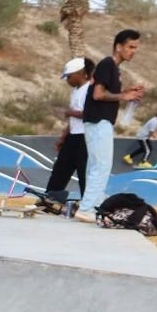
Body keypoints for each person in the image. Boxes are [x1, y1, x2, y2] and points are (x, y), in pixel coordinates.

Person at [75, 29, 146, 223]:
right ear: (119, 46)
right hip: (99, 122)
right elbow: (98, 94)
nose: (133, 51)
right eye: (131, 47)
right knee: (102, 166)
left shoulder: (113, 68)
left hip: (97, 122)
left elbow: (105, 93)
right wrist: (125, 96)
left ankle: (94, 201)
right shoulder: (108, 64)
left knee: (96, 166)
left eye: (136, 48)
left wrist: (126, 91)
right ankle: (86, 207)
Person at [44, 56, 94, 208]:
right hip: (73, 136)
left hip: (86, 137)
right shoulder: (75, 91)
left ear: (80, 73)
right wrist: (63, 137)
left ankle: (88, 204)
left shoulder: (90, 90)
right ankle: (50, 199)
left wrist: (70, 113)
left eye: (69, 76)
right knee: (61, 168)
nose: (68, 80)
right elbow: (73, 120)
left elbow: (90, 114)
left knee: (84, 172)